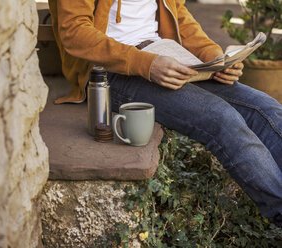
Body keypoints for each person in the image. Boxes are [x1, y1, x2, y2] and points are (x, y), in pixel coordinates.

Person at [48, 0, 282, 227]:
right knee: (220, 118)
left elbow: (178, 14)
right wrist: (146, 64)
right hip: (110, 71)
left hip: (166, 53)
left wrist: (212, 56)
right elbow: (74, 31)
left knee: (267, 109)